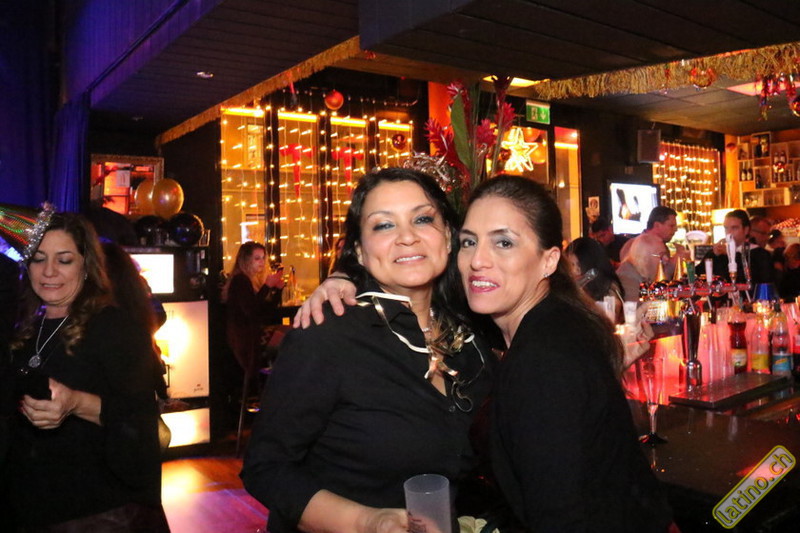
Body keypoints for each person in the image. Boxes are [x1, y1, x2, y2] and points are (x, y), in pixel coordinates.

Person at [296, 177, 672, 531]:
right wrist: (344, 275)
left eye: (504, 242)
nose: (478, 260)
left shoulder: (544, 355)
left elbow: (562, 515)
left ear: (549, 260)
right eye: (469, 242)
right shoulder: (538, 324)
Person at [241, 168, 494, 533]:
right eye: (384, 225)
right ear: (359, 251)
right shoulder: (327, 335)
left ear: (449, 236)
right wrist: (367, 521)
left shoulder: (472, 339)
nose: (407, 237)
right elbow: (266, 468)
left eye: (423, 219)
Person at [1, 212, 169, 530]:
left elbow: (140, 423)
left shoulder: (115, 328)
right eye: (38, 259)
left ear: (86, 265)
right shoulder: (24, 326)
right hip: (29, 507)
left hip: (97, 513)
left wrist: (76, 402)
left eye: (64, 260)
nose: (49, 271)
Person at [223, 242, 285, 375]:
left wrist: (278, 290)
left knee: (290, 333)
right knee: (290, 337)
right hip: (246, 337)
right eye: (257, 258)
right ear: (246, 260)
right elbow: (251, 310)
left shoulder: (252, 280)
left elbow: (266, 310)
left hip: (252, 332)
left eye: (263, 258)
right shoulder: (240, 280)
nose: (262, 262)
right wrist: (267, 286)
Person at [696, 209, 774, 287]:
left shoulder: (759, 254)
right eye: (726, 228)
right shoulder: (718, 253)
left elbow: (759, 280)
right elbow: (698, 275)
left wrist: (732, 255)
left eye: (734, 228)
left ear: (746, 230)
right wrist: (712, 255)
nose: (729, 232)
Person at [566, 236, 624, 322]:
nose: (573, 271)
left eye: (578, 266)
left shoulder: (609, 288)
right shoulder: (568, 286)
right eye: (570, 265)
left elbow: (609, 320)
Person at [619, 206, 688, 278]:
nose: (676, 229)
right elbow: (653, 277)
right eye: (671, 226)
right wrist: (675, 261)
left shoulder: (663, 246)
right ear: (657, 225)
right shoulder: (634, 245)